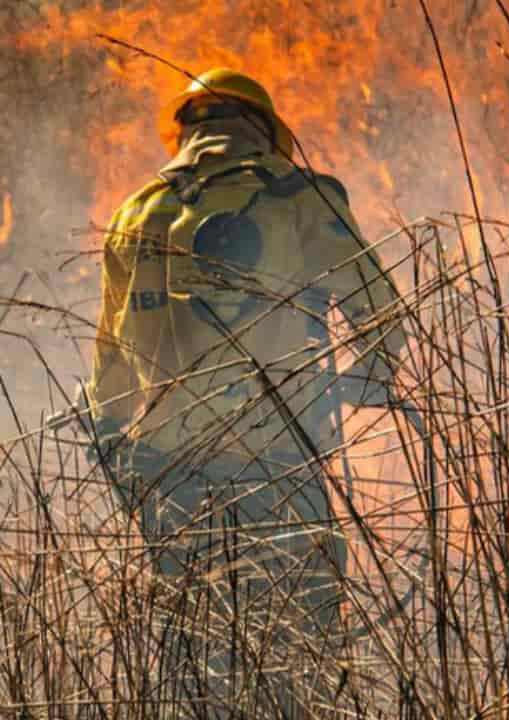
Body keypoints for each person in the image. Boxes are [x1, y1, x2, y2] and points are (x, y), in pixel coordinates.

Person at [85, 68, 405, 718]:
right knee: (299, 661)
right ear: (263, 129)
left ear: (186, 130)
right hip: (278, 475)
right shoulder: (299, 199)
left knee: (193, 669)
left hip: (170, 488)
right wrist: (362, 384)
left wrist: (124, 471)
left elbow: (108, 376)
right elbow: (382, 311)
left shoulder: (134, 213)